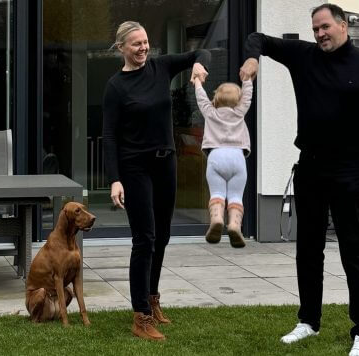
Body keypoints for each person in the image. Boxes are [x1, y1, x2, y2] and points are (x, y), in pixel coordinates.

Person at [239, 4, 359, 356]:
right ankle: (308, 321)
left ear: (343, 25)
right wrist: (252, 59)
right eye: (315, 29)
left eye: (325, 27)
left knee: (353, 251)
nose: (320, 34)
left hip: (348, 170)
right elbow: (257, 38)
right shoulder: (303, 56)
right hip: (310, 167)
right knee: (308, 249)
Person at [102, 20, 210, 341]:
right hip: (135, 167)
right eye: (136, 44)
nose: (143, 47)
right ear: (121, 47)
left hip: (166, 163)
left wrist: (199, 65)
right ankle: (141, 317)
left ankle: (152, 298)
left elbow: (201, 52)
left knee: (162, 236)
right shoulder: (116, 87)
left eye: (146, 41)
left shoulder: (161, 67)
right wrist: (115, 179)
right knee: (144, 239)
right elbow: (109, 136)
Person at [192, 76, 253, 248]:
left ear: (217, 98)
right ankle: (234, 224)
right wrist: (247, 80)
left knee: (217, 193)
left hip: (216, 156)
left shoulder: (210, 113)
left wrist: (197, 82)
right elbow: (248, 96)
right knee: (235, 196)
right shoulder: (240, 112)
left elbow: (201, 99)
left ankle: (217, 218)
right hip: (237, 158)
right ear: (238, 100)